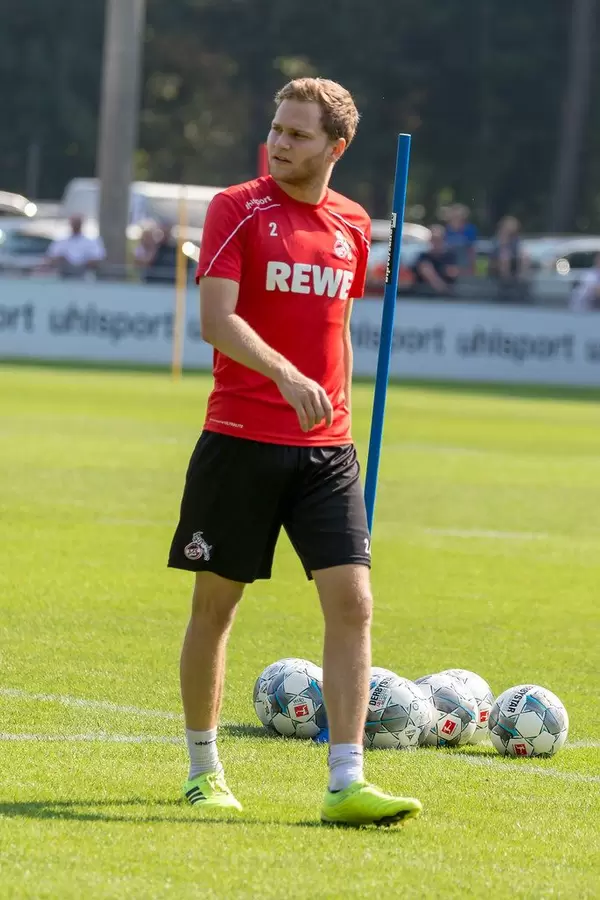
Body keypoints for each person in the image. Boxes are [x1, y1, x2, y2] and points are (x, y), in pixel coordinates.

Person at [168, 77, 422, 827]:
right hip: (240, 441)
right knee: (216, 607)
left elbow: (337, 326)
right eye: (277, 128)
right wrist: (285, 374)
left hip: (326, 449)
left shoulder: (352, 222)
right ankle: (202, 768)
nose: (279, 143)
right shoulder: (234, 208)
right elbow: (216, 321)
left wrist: (335, 403)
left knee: (354, 601)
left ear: (336, 148)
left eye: (298, 134)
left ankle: (346, 780)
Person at [489, 216, 527, 301]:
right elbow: (497, 252)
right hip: (497, 262)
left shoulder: (516, 239)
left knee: (525, 257)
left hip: (513, 261)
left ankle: (521, 279)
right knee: (504, 257)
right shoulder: (498, 238)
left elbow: (519, 251)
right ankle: (506, 281)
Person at [412, 225, 459, 295]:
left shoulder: (450, 256)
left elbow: (453, 273)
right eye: (433, 239)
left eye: (438, 239)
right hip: (423, 294)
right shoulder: (424, 256)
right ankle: (441, 289)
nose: (435, 243)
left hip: (448, 297)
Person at [444, 203, 478, 275]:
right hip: (449, 264)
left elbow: (471, 250)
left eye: (458, 216)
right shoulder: (446, 229)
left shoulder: (469, 229)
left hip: (464, 264)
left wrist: (472, 267)